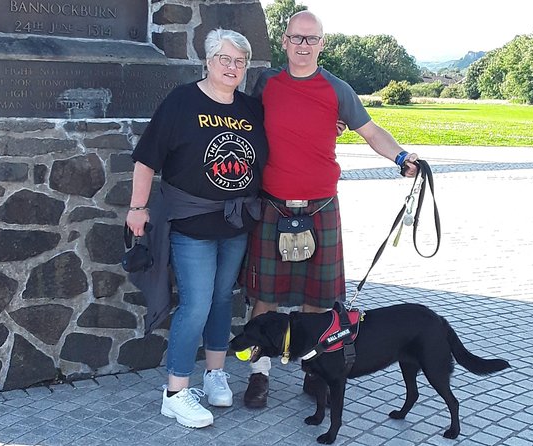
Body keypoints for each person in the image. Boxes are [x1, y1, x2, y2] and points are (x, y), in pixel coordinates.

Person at [238, 10, 420, 408]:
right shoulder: (265, 84)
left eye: (311, 39)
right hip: (273, 206)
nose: (303, 46)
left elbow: (372, 132)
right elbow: (238, 122)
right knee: (264, 299)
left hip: (320, 207)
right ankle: (258, 374)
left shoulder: (338, 90)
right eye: (296, 38)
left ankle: (314, 371)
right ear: (283, 41)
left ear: (322, 44)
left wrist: (401, 157)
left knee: (317, 302)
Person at [125, 29, 268, 428]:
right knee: (196, 303)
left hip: (236, 221)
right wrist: (138, 207)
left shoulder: (250, 108)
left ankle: (215, 373)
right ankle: (175, 393)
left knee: (224, 298)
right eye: (224, 59)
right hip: (191, 221)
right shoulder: (182, 101)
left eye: (240, 61)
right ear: (207, 60)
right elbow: (146, 159)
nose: (232, 67)